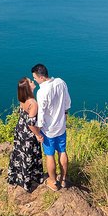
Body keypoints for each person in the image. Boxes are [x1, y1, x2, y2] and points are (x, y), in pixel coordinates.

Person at [31, 63, 71, 191]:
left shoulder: (42, 91)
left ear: (41, 77)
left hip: (48, 130)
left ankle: (53, 182)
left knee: (50, 155)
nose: (34, 80)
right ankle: (63, 179)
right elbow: (67, 102)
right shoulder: (60, 82)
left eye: (35, 78)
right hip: (61, 126)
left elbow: (41, 115)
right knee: (62, 152)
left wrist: (37, 132)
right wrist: (64, 115)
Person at [6, 77, 45, 192]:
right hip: (28, 134)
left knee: (19, 154)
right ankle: (29, 181)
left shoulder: (22, 99)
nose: (33, 82)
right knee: (29, 156)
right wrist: (38, 135)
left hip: (19, 130)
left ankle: (16, 177)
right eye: (31, 82)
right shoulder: (33, 103)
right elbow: (31, 124)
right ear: (28, 87)